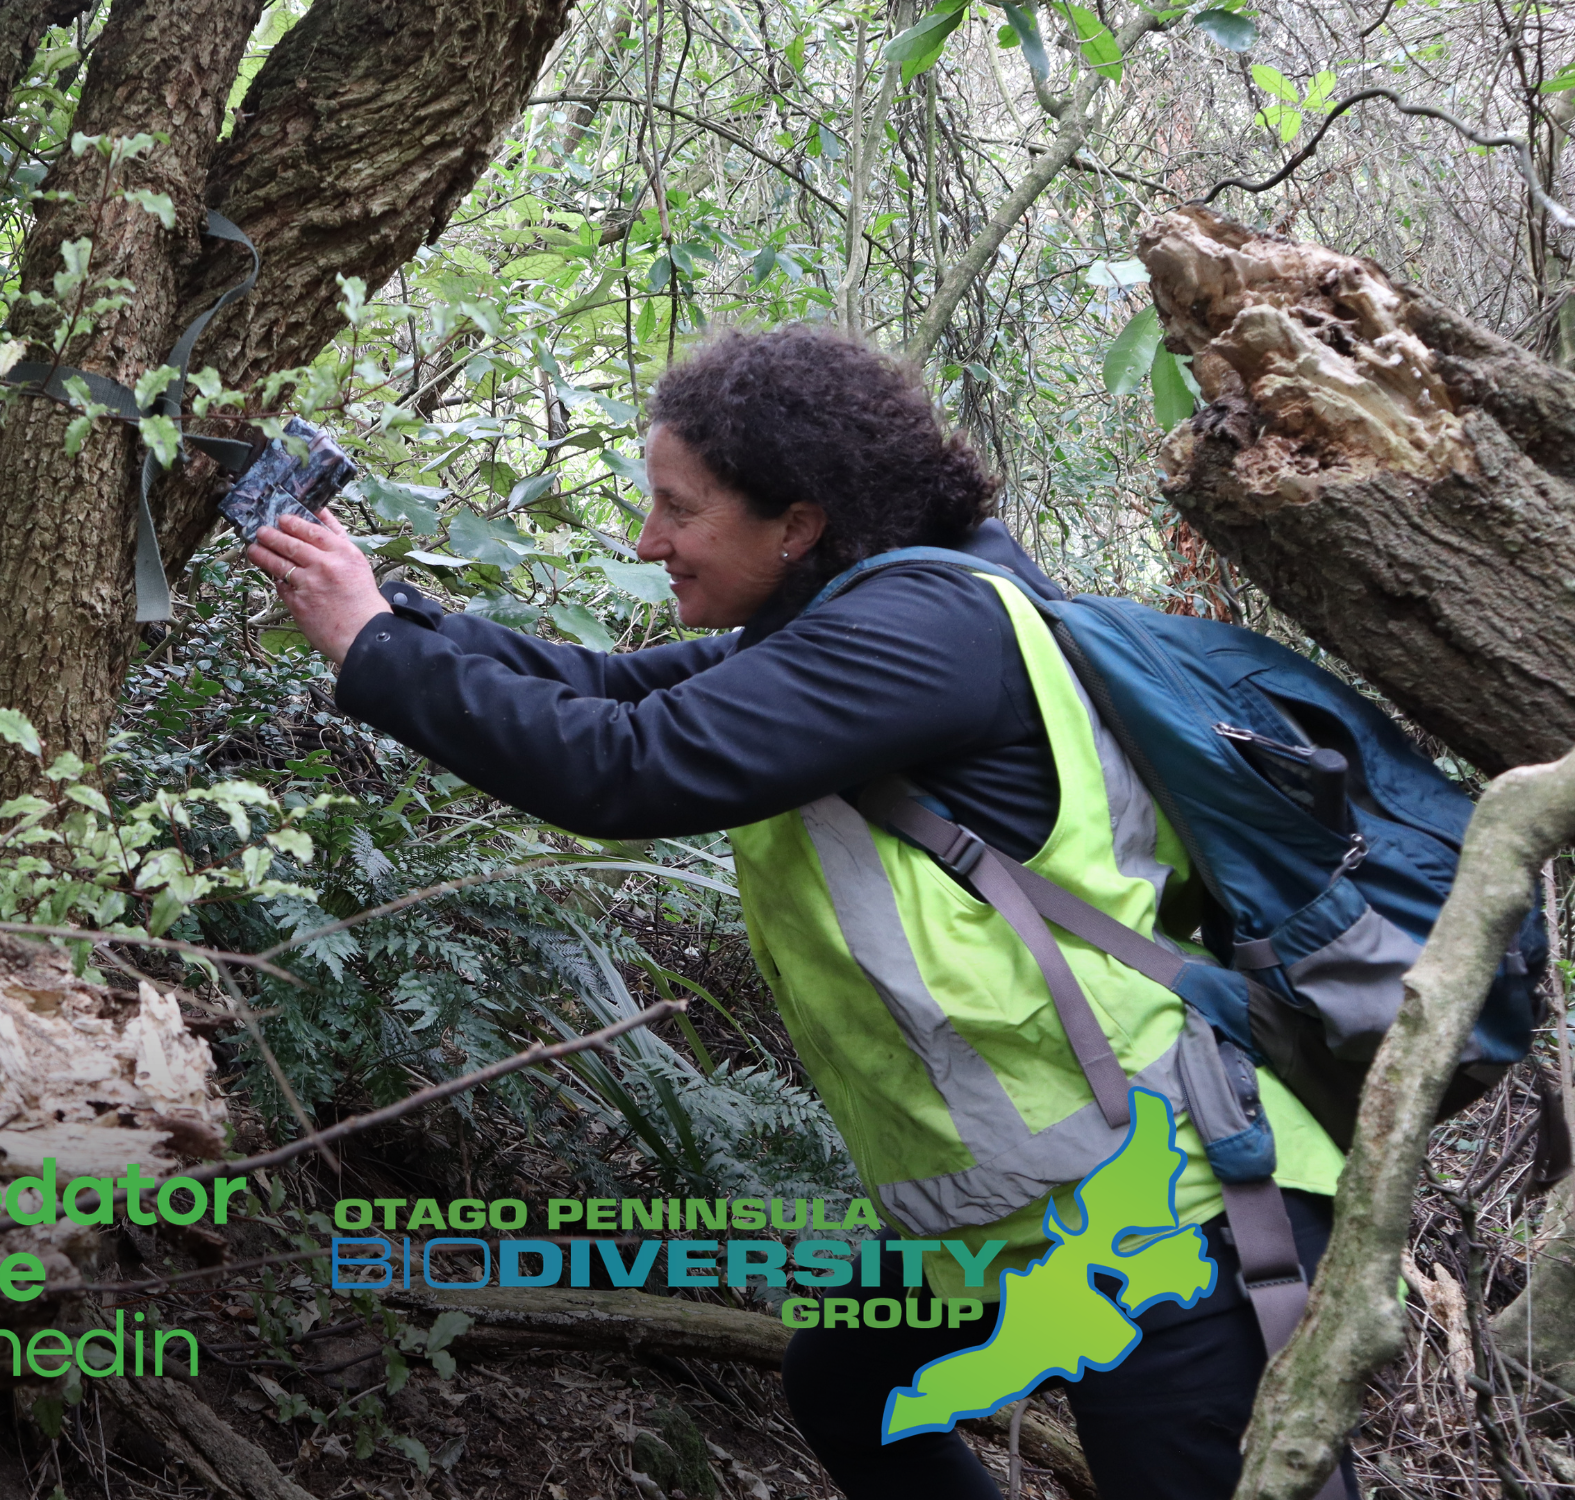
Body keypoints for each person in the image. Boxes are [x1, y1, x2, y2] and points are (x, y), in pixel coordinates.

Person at [245, 323, 1352, 1500]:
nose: (647, 540)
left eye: (679, 509)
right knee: (856, 1389)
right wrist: (376, 606)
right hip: (1015, 1212)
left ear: (800, 523)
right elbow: (612, 687)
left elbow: (629, 765)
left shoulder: (925, 636)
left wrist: (368, 646)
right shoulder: (847, 625)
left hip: (1165, 1206)